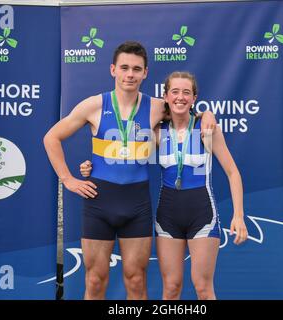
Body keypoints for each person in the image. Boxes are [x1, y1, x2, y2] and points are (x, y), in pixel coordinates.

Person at [43, 42, 216, 300]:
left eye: (136, 69)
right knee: (95, 279)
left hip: (136, 204)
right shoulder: (94, 105)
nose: (130, 74)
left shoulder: (158, 107)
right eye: (124, 68)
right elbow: (51, 138)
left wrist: (207, 114)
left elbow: (186, 109)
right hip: (99, 201)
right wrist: (68, 179)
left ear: (145, 73)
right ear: (113, 69)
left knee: (136, 280)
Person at [81, 71, 248, 300]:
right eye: (175, 92)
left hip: (203, 214)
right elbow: (123, 155)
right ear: (166, 97)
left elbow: (233, 172)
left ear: (194, 97)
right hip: (167, 216)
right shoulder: (156, 132)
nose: (180, 97)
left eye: (186, 93)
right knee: (170, 289)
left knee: (203, 289)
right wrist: (91, 167)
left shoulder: (207, 129)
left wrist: (238, 216)